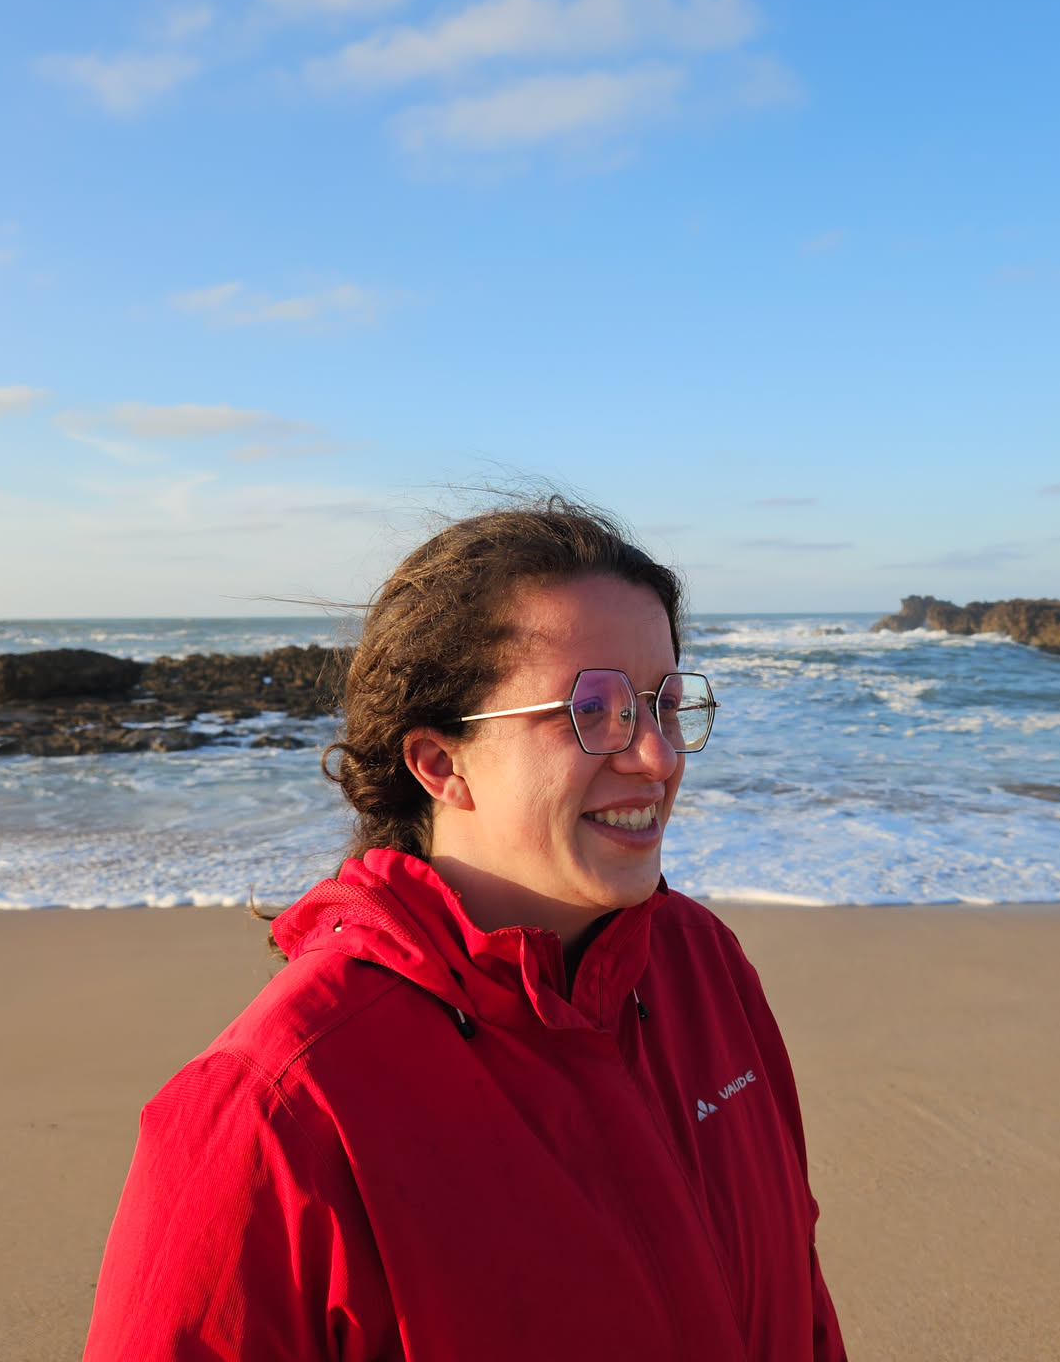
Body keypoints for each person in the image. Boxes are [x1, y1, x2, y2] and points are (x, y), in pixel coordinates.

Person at [83, 500, 845, 1361]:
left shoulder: (700, 966)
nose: (659, 757)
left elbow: (803, 1301)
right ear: (441, 763)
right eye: (593, 708)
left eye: (664, 705)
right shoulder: (279, 1109)